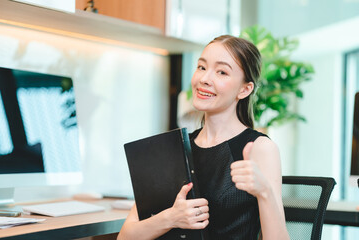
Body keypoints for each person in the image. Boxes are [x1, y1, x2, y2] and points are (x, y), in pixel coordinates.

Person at [117, 35, 289, 240]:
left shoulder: (259, 148)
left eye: (222, 72)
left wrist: (265, 193)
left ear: (244, 89)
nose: (205, 79)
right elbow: (125, 237)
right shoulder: (175, 148)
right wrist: (171, 218)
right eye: (201, 67)